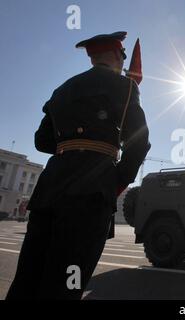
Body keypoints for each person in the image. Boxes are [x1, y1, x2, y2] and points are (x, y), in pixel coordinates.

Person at [6, 31, 150, 300]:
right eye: (123, 56)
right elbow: (139, 142)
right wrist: (116, 180)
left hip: (49, 189)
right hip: (91, 193)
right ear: (117, 56)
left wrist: (71, 147)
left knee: (28, 277)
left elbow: (41, 141)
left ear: (92, 58)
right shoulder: (126, 86)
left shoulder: (62, 89)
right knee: (68, 281)